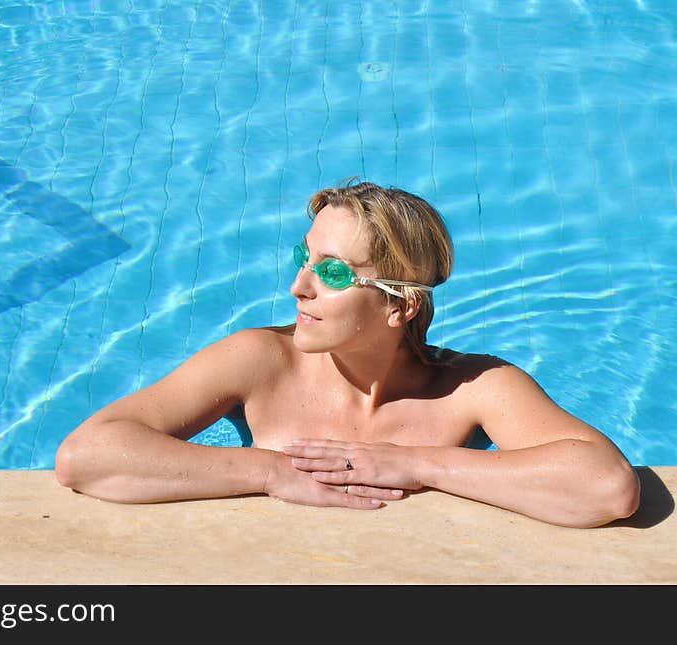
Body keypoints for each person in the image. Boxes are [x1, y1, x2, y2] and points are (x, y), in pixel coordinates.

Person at [55, 179, 640, 528]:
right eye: (303, 257)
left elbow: (606, 488)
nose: (299, 286)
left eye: (332, 272)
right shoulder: (260, 360)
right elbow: (88, 455)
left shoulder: (470, 387)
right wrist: (271, 473)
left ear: (400, 307)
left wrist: (416, 464)